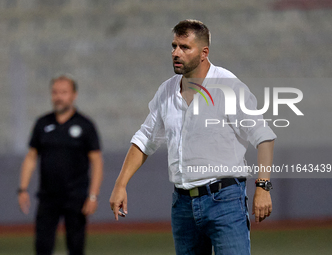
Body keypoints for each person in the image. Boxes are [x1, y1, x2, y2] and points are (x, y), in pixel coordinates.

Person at [109, 19, 276, 255]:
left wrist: (263, 187)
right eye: (174, 46)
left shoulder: (229, 87)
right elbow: (145, 139)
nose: (176, 53)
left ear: (204, 53)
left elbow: (264, 137)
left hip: (225, 200)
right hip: (183, 205)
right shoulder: (166, 91)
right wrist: (120, 184)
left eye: (185, 47)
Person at [18, 74, 103, 255]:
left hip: (76, 197)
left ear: (73, 95)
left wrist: (93, 196)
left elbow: (96, 162)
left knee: (76, 247)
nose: (59, 97)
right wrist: (23, 188)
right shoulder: (43, 124)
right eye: (55, 92)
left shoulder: (85, 125)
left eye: (64, 92)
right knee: (42, 247)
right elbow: (31, 157)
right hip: (48, 197)